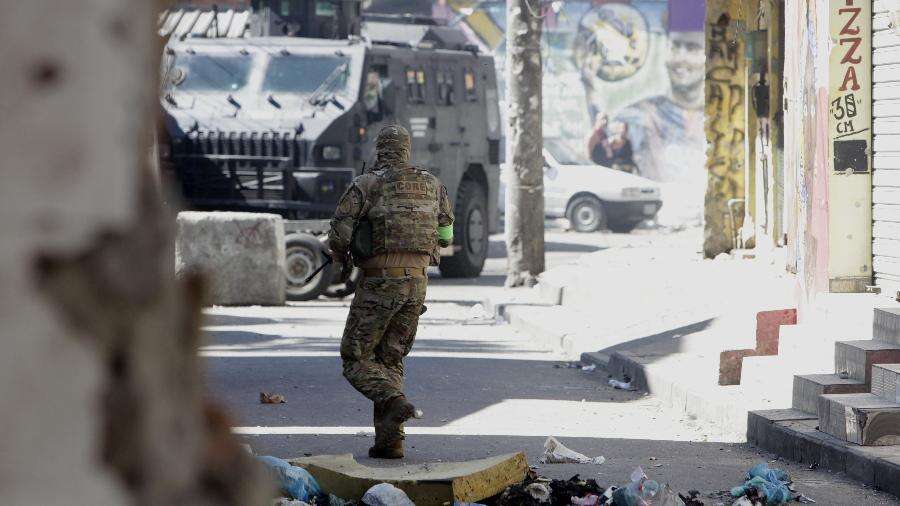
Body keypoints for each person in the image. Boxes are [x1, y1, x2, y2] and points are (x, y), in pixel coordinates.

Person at [327, 125, 454, 459]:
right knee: (390, 358)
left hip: (380, 282)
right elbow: (446, 235)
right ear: (407, 150)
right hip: (417, 284)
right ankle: (390, 442)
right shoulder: (433, 184)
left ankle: (395, 402)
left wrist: (340, 253)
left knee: (355, 358)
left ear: (380, 150)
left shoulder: (366, 184)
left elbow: (339, 236)